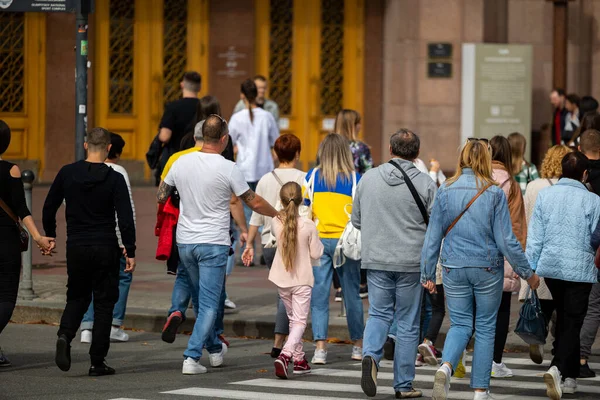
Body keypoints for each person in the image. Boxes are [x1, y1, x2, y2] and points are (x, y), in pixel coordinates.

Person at [158, 115, 277, 375]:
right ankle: (191, 357)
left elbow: (161, 194)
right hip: (213, 242)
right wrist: (277, 213)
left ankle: (213, 350)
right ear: (224, 139)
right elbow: (252, 201)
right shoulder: (228, 168)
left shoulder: (180, 162)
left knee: (201, 303)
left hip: (186, 241)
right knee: (211, 305)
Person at [421, 138, 539, 400]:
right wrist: (527, 273)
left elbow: (432, 237)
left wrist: (427, 274)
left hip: (453, 266)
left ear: (462, 158)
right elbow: (506, 240)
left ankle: (447, 366)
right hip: (487, 268)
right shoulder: (494, 192)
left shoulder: (446, 189)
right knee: (485, 327)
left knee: (460, 324)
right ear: (485, 160)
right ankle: (480, 391)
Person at [43, 127, 136, 376]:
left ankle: (65, 334)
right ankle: (97, 361)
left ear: (86, 146)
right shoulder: (115, 178)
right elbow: (125, 218)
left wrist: (50, 234)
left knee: (77, 297)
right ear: (108, 149)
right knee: (105, 303)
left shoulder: (67, 173)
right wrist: (130, 249)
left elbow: (49, 205)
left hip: (76, 245)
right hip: (105, 246)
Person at [353, 130, 437, 399]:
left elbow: (356, 220)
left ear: (390, 149)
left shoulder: (368, 178)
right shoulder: (425, 183)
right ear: (417, 153)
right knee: (408, 322)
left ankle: (371, 356)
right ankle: (403, 385)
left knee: (378, 313)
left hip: (376, 258)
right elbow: (435, 227)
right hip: (411, 262)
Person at [526, 151, 600, 399]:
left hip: (552, 267)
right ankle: (558, 368)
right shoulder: (593, 201)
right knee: (572, 321)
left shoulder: (546, 196)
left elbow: (535, 237)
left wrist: (530, 270)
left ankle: (569, 375)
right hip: (580, 268)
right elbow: (595, 236)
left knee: (564, 315)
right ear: (585, 173)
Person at [244, 182, 323, 379]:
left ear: (280, 200)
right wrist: (317, 235)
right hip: (302, 279)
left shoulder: (276, 222)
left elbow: (279, 233)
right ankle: (286, 355)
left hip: (282, 279)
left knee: (292, 319)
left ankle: (300, 359)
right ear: (301, 200)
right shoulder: (308, 225)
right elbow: (316, 253)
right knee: (299, 322)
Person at [244, 134, 306, 358]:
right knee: (289, 294)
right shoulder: (304, 178)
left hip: (269, 243)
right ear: (297, 154)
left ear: (275, 154)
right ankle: (281, 341)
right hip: (293, 241)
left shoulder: (265, 179)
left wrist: (250, 243)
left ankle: (284, 341)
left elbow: (256, 214)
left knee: (283, 293)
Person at [304, 133, 364, 364]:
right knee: (352, 295)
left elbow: (304, 207)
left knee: (319, 295)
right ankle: (358, 345)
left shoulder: (312, 176)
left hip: (318, 242)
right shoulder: (355, 178)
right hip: (346, 243)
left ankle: (320, 348)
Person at [0, 120, 53, 367]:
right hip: (5, 241)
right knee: (7, 296)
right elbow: (22, 209)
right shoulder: (10, 170)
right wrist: (38, 237)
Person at [80, 133, 136, 344]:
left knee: (91, 281)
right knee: (122, 278)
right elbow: (127, 211)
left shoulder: (80, 169)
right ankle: (114, 324)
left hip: (86, 237)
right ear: (116, 151)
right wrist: (128, 244)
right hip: (113, 238)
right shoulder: (118, 171)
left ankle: (87, 326)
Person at [520, 145, 573, 365]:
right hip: (560, 252)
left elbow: (524, 217)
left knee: (540, 301)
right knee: (562, 307)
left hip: (536, 252)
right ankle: (557, 352)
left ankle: (537, 335)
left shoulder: (533, 186)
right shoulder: (572, 189)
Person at [489, 136, 528, 379]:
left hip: (474, 253)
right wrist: (518, 258)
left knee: (475, 311)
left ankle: (456, 358)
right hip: (501, 254)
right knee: (502, 311)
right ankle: (495, 361)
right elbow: (516, 226)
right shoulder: (511, 185)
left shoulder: (476, 178)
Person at [229, 79, 280, 259]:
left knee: (246, 211)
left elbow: (229, 142)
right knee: (265, 210)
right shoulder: (266, 116)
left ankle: (247, 248)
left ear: (242, 95)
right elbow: (276, 141)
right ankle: (265, 249)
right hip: (263, 168)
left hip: (243, 168)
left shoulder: (237, 118)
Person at [334, 109, 373, 298]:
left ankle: (339, 286)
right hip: (355, 197)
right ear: (352, 125)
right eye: (358, 122)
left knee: (335, 237)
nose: (360, 126)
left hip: (332, 196)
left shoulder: (329, 146)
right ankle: (360, 281)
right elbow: (368, 174)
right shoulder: (360, 148)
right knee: (357, 236)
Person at [578, 129, 600, 378]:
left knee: (580, 306)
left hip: (581, 249)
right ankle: (581, 357)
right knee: (594, 308)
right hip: (597, 251)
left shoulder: (577, 172)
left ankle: (579, 356)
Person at [155, 71, 202, 185]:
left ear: (182, 85)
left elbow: (165, 136)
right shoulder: (204, 106)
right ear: (199, 88)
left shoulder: (173, 107)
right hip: (199, 161)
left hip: (176, 160)